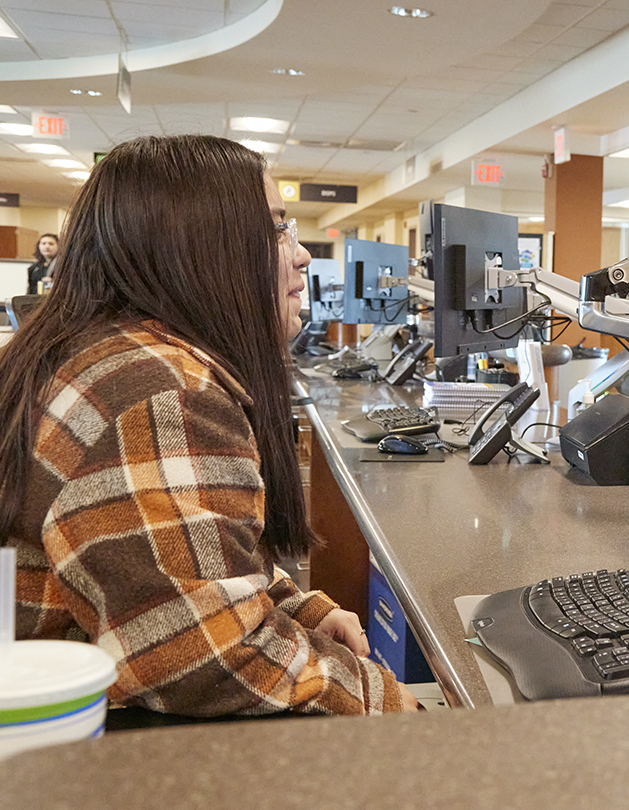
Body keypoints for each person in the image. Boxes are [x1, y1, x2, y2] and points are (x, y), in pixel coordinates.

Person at [0, 135, 417, 717]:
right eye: (276, 230)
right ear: (202, 250)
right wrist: (400, 712)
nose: (300, 257)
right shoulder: (160, 395)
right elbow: (207, 661)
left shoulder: (110, 352)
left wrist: (299, 610)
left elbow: (180, 561)